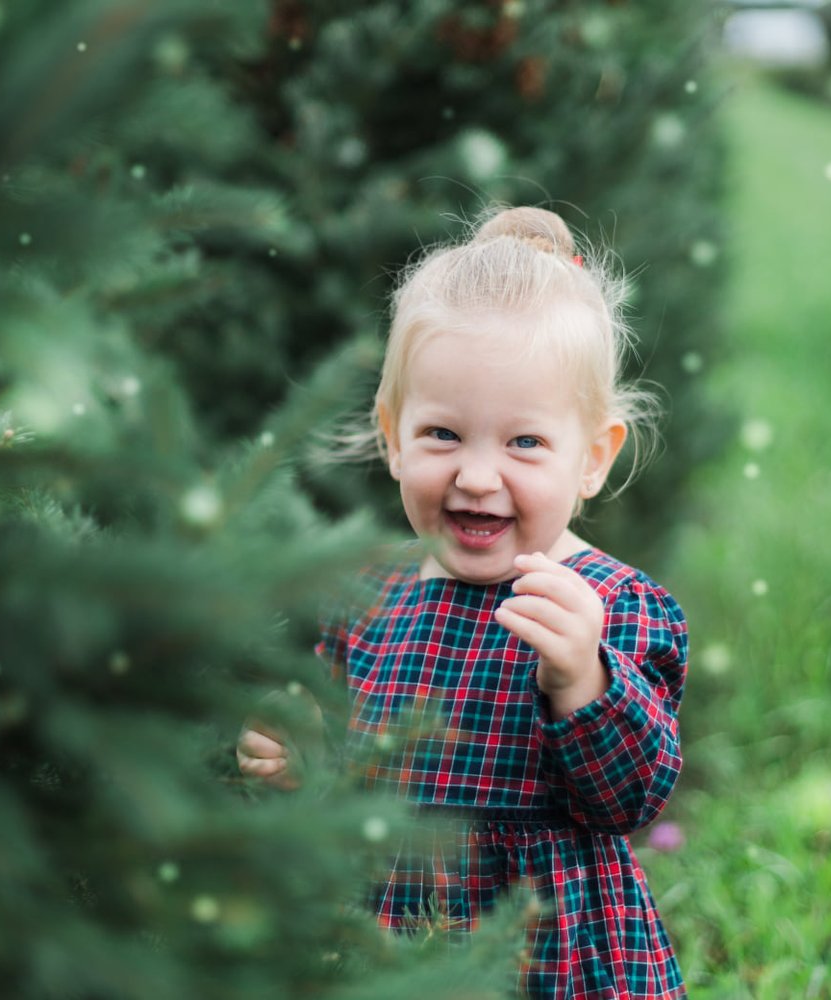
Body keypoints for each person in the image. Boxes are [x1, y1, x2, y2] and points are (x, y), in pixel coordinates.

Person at [238, 206, 689, 999]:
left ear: (592, 457)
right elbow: (346, 776)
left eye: (525, 443)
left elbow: (630, 799)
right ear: (392, 435)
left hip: (543, 953)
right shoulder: (367, 598)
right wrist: (296, 761)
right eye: (443, 434)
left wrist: (582, 679)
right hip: (389, 943)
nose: (477, 477)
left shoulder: (613, 608)